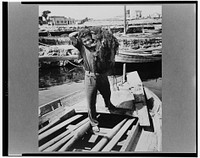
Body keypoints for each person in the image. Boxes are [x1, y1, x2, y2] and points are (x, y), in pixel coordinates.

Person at [69, 28, 119, 132]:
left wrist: (93, 32)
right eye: (85, 41)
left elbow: (108, 42)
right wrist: (82, 32)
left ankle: (109, 105)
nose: (87, 42)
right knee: (91, 101)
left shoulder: (99, 45)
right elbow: (71, 36)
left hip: (102, 75)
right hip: (90, 77)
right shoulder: (81, 47)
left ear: (92, 38)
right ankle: (94, 122)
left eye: (88, 39)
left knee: (107, 93)